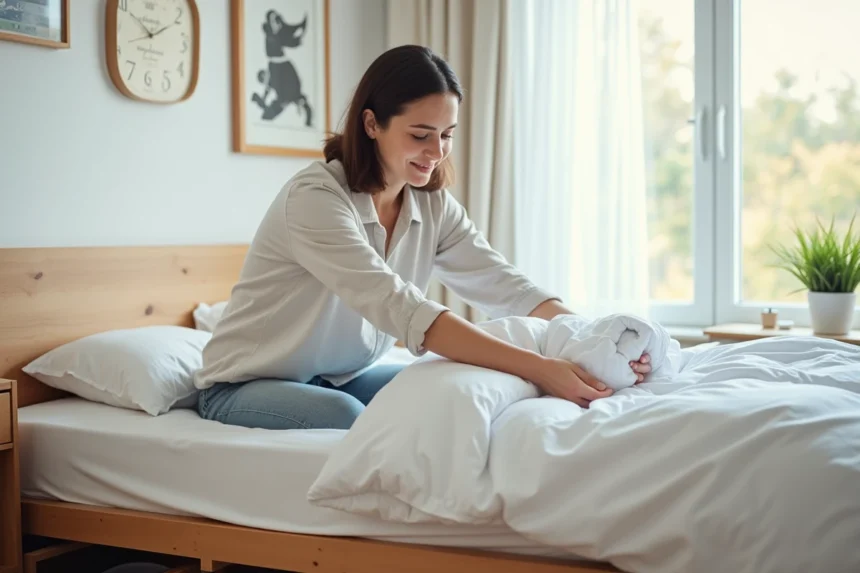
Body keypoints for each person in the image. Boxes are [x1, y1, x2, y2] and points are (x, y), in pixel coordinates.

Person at [194, 45, 651, 430]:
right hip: (244, 386)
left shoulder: (430, 205)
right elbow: (402, 307)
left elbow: (507, 288)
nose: (436, 153)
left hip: (338, 379)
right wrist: (541, 367)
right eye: (420, 135)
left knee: (455, 392)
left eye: (447, 135)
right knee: (352, 417)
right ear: (372, 124)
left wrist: (595, 343)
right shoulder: (315, 200)